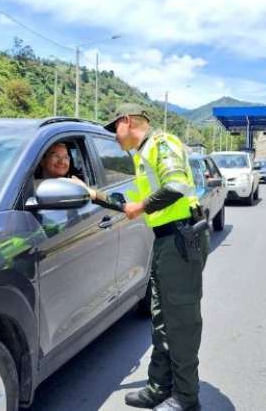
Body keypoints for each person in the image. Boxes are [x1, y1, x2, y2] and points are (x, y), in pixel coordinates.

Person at [95, 104, 209, 411]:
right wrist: (94, 194)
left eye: (114, 129)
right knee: (161, 317)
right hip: (167, 241)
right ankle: (159, 387)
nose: (114, 137)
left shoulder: (161, 144)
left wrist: (141, 206)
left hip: (182, 239)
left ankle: (186, 398)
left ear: (128, 122)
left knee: (181, 321)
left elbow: (178, 184)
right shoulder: (142, 154)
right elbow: (135, 201)